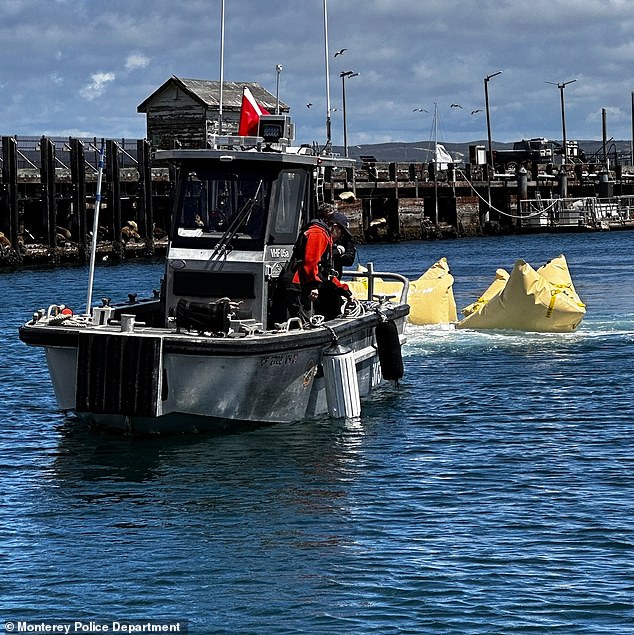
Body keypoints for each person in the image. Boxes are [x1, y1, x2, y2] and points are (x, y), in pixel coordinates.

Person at [328, 211, 356, 276]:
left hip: (334, 280)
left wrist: (337, 254)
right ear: (334, 227)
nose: (342, 235)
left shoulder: (343, 240)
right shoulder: (322, 238)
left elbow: (349, 260)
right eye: (342, 231)